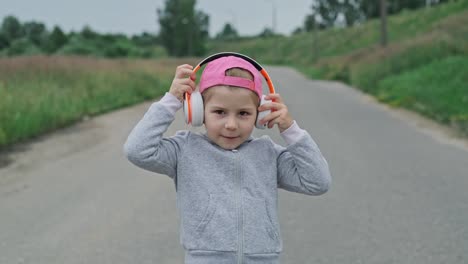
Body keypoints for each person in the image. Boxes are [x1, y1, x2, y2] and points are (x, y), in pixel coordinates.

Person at [124, 55, 331, 264]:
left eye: (243, 113)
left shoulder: (269, 154)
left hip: (262, 259)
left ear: (260, 114)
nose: (231, 124)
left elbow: (317, 182)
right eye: (219, 112)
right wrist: (171, 100)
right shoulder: (185, 150)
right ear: (197, 111)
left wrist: (290, 129)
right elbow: (137, 150)